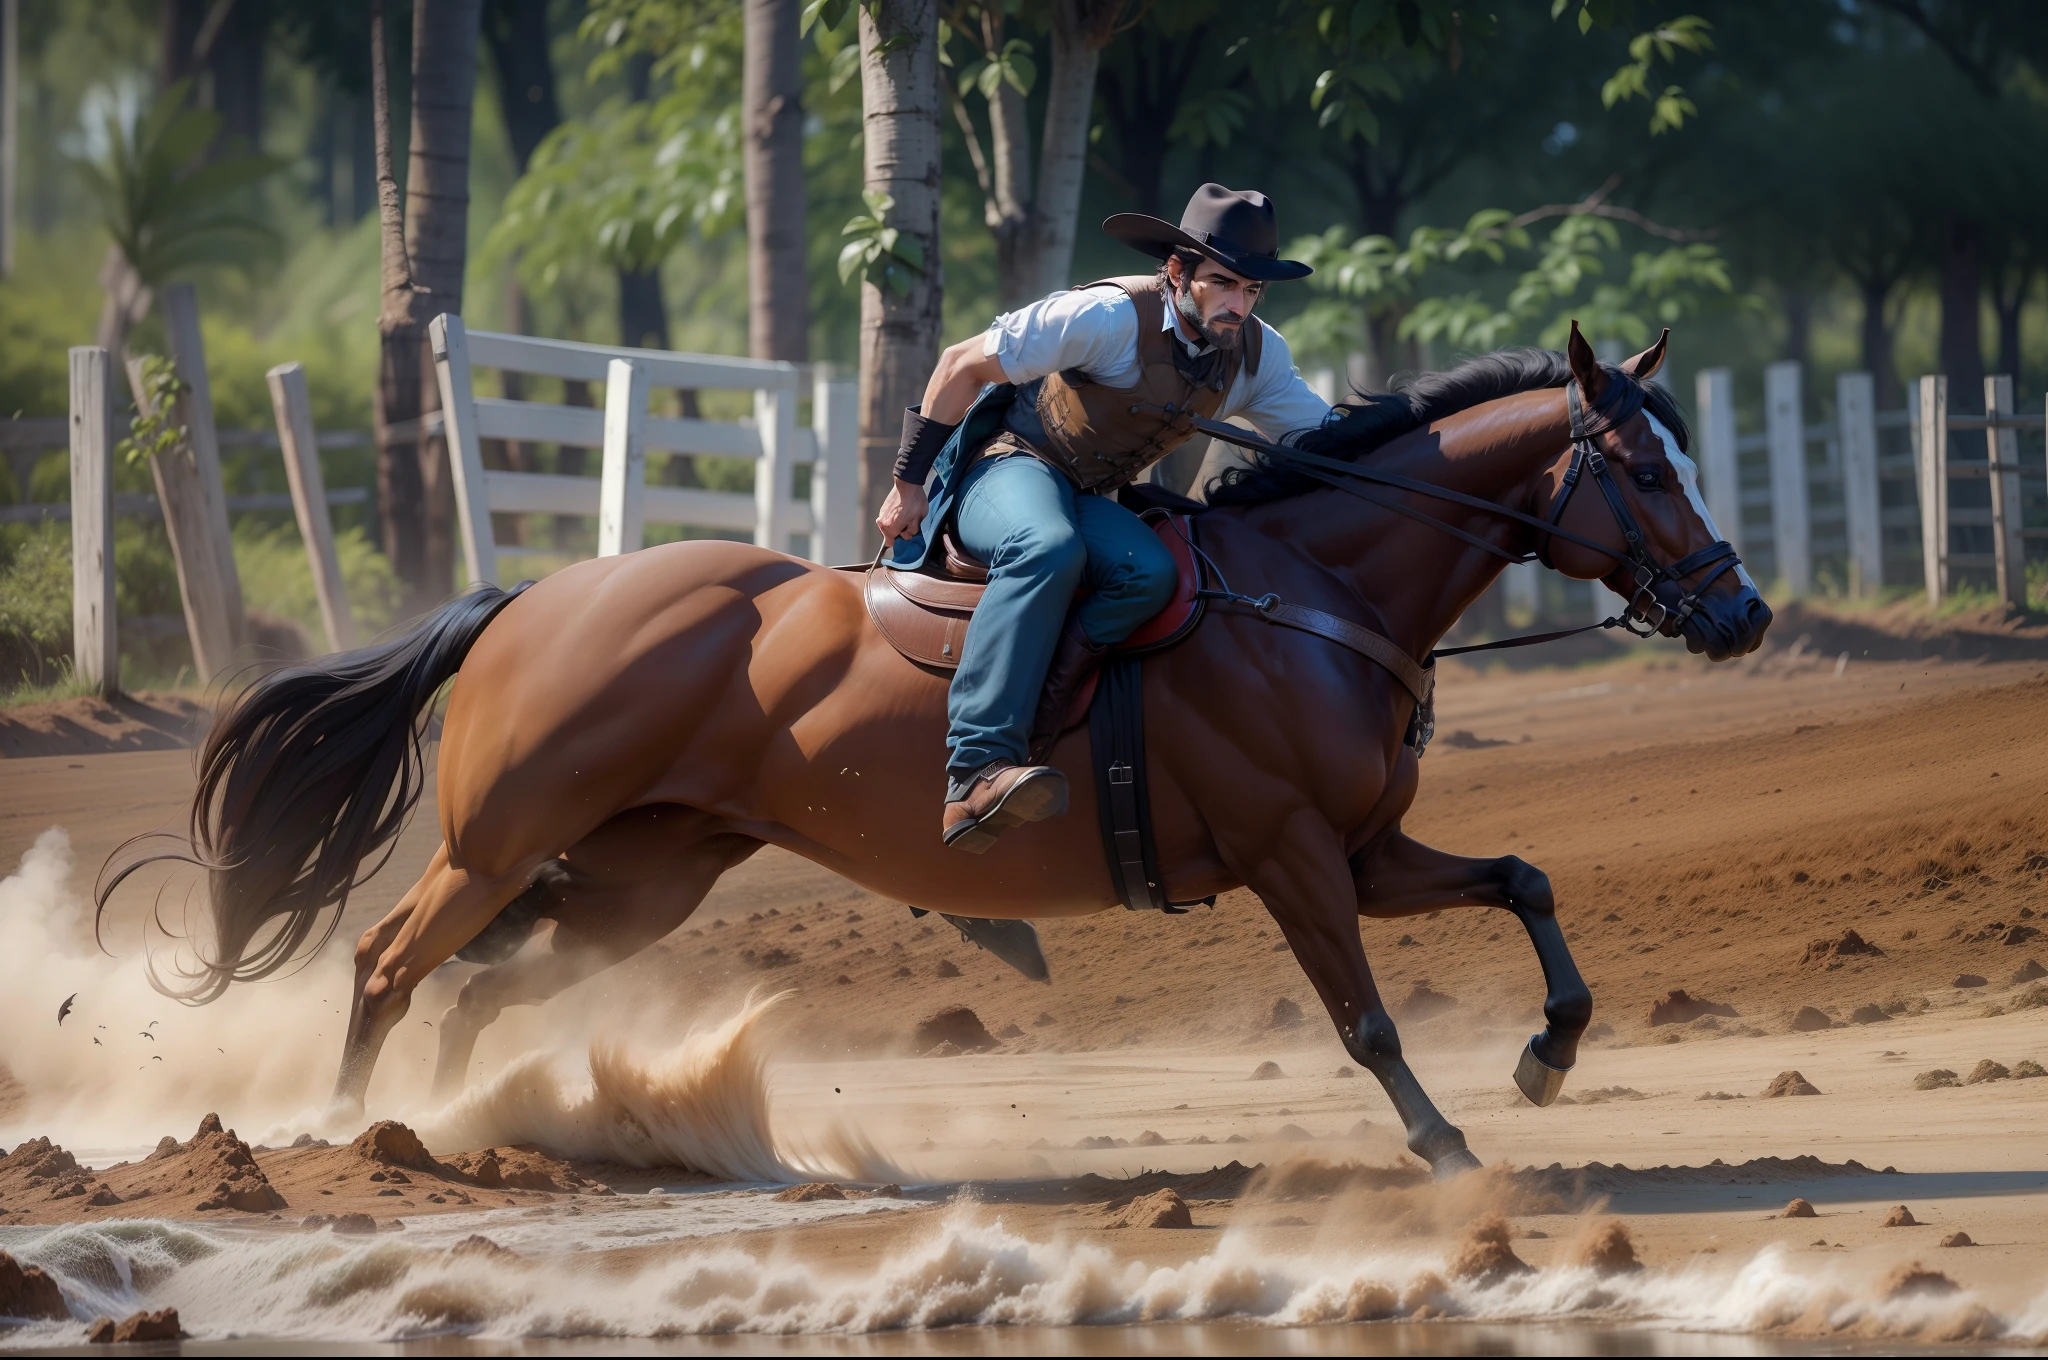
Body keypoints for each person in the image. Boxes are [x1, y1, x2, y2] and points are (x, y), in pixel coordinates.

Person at [877, 184, 1331, 851]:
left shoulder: (1258, 357)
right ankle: (975, 768)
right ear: (1178, 272)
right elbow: (959, 364)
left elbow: (1324, 436)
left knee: (1151, 574)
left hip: (1091, 495)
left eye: (1252, 289)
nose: (1238, 304)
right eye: (1222, 284)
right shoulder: (1107, 316)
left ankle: (1038, 723)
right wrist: (907, 484)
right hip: (1009, 466)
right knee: (1046, 544)